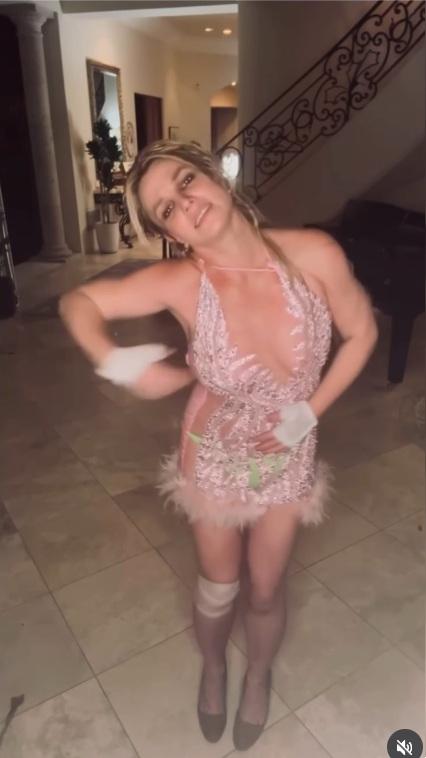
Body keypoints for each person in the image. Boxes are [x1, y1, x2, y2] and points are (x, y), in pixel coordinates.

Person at [59, 140, 378, 751]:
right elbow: (79, 301)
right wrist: (120, 365)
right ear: (167, 233)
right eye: (165, 209)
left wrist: (308, 414)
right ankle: (213, 668)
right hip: (213, 453)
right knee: (219, 584)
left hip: (289, 450)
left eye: (185, 182)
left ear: (215, 176)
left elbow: (362, 332)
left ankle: (257, 674)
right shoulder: (181, 282)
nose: (184, 204)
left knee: (266, 587)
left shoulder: (314, 253)